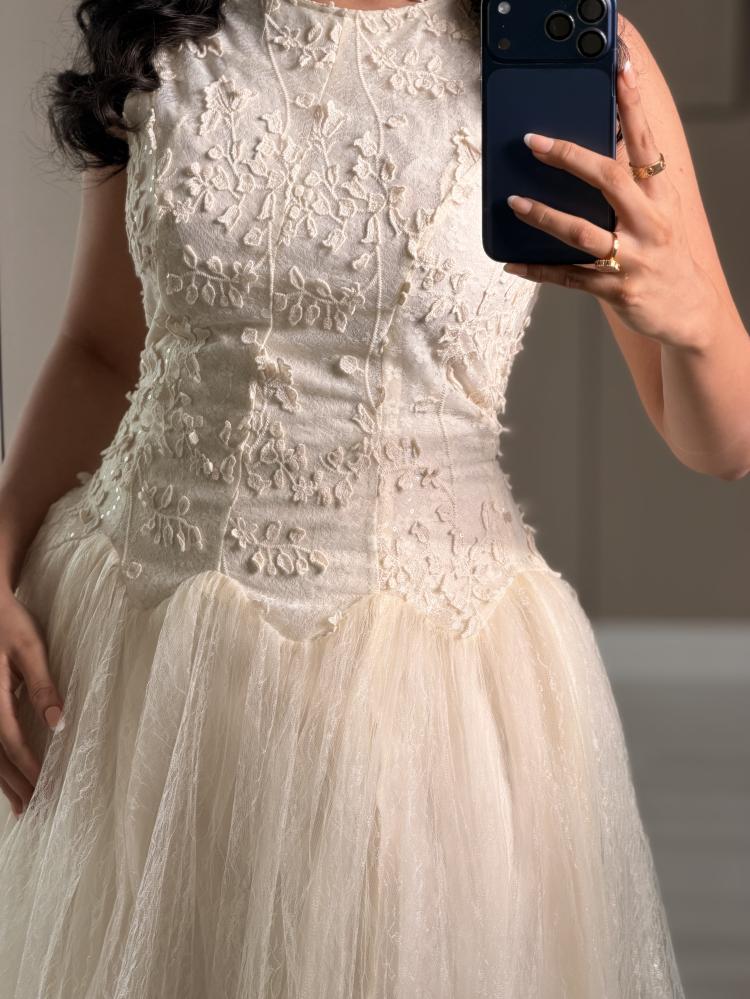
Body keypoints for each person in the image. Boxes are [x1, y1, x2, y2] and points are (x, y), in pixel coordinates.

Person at [0, 0, 748, 995]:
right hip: (131, 649)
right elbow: (101, 346)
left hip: (425, 685)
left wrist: (692, 317)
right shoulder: (158, 21)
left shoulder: (573, 41)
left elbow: (724, 440)